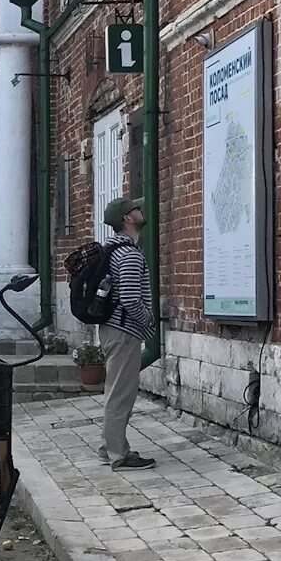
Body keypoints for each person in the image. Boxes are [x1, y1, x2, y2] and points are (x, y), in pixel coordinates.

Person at [101, 196, 158, 471]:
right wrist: (148, 322)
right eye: (136, 209)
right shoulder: (130, 255)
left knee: (116, 390)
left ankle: (108, 446)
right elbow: (131, 299)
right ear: (128, 219)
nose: (140, 210)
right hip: (124, 331)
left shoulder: (112, 251)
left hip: (113, 329)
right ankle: (118, 455)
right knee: (121, 394)